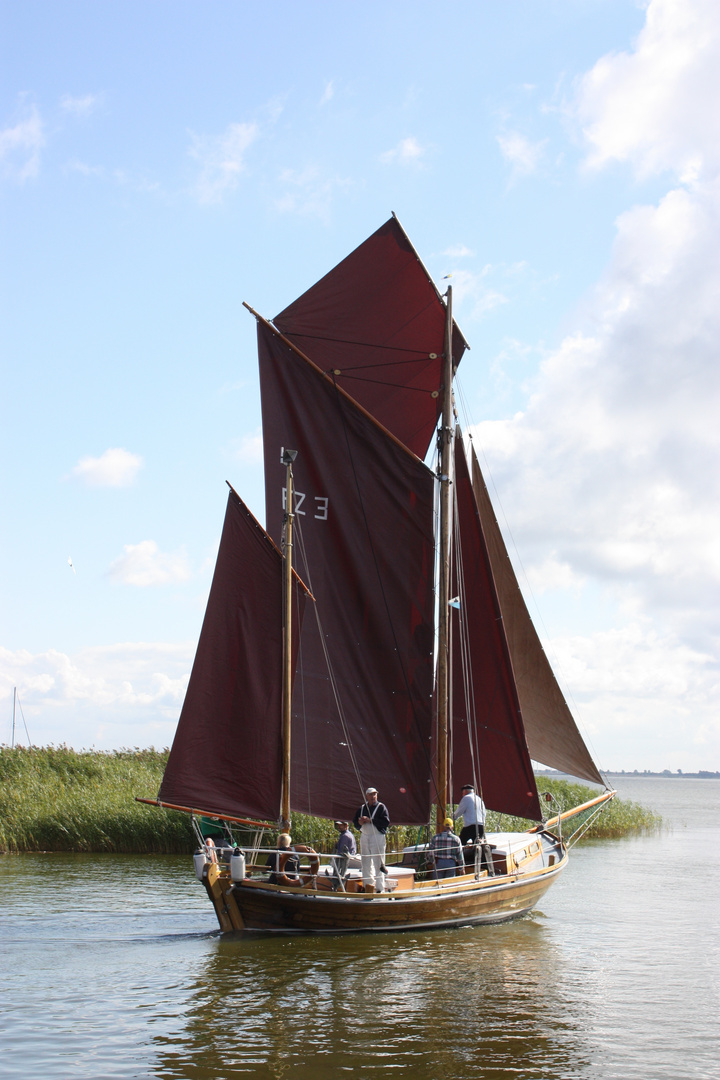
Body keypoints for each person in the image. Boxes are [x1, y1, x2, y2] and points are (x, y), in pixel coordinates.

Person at [353, 787, 390, 893]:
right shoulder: (362, 808)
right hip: (364, 836)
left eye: (374, 794)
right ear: (367, 796)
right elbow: (355, 822)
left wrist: (370, 820)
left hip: (377, 837)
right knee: (365, 863)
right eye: (371, 795)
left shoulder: (381, 807)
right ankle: (367, 886)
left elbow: (386, 822)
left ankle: (380, 888)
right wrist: (359, 823)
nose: (373, 797)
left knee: (378, 863)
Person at [454, 784, 486, 864]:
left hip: (470, 826)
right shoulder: (479, 799)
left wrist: (453, 817)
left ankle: (459, 861)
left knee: (460, 842)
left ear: (465, 792)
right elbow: (484, 813)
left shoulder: (466, 798)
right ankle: (478, 863)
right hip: (481, 826)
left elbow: (459, 811)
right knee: (477, 845)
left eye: (462, 793)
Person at [331, 819, 357, 889]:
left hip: (347, 859)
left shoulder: (345, 836)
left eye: (341, 825)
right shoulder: (348, 834)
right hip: (351, 857)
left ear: (346, 825)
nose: (339, 827)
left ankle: (337, 884)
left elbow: (341, 852)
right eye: (338, 825)